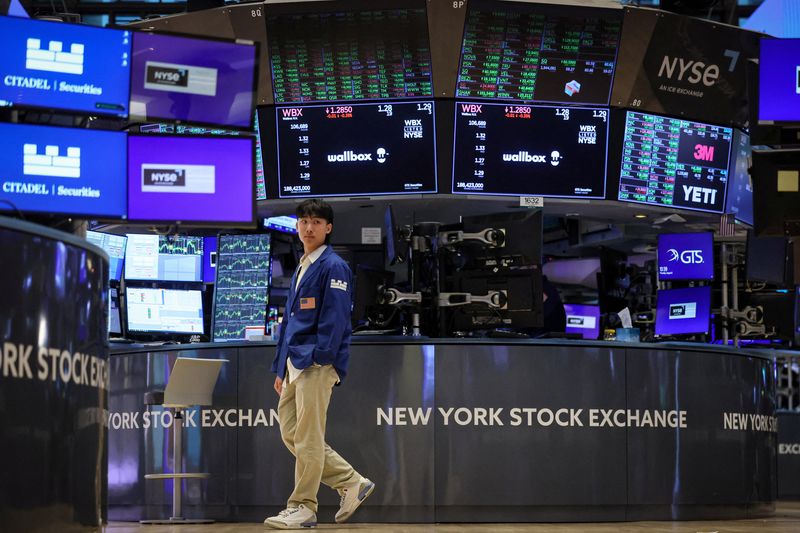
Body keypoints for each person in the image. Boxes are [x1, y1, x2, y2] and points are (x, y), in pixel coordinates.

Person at [265, 199, 374, 530]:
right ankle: (351, 481)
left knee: (308, 438)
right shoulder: (302, 265)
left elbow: (336, 319)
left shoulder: (333, 266)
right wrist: (280, 368)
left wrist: (319, 359)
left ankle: (303, 506)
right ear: (297, 226)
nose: (308, 227)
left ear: (328, 227)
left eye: (315, 222)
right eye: (303, 221)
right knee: (292, 433)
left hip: (315, 363)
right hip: (293, 364)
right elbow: (289, 322)